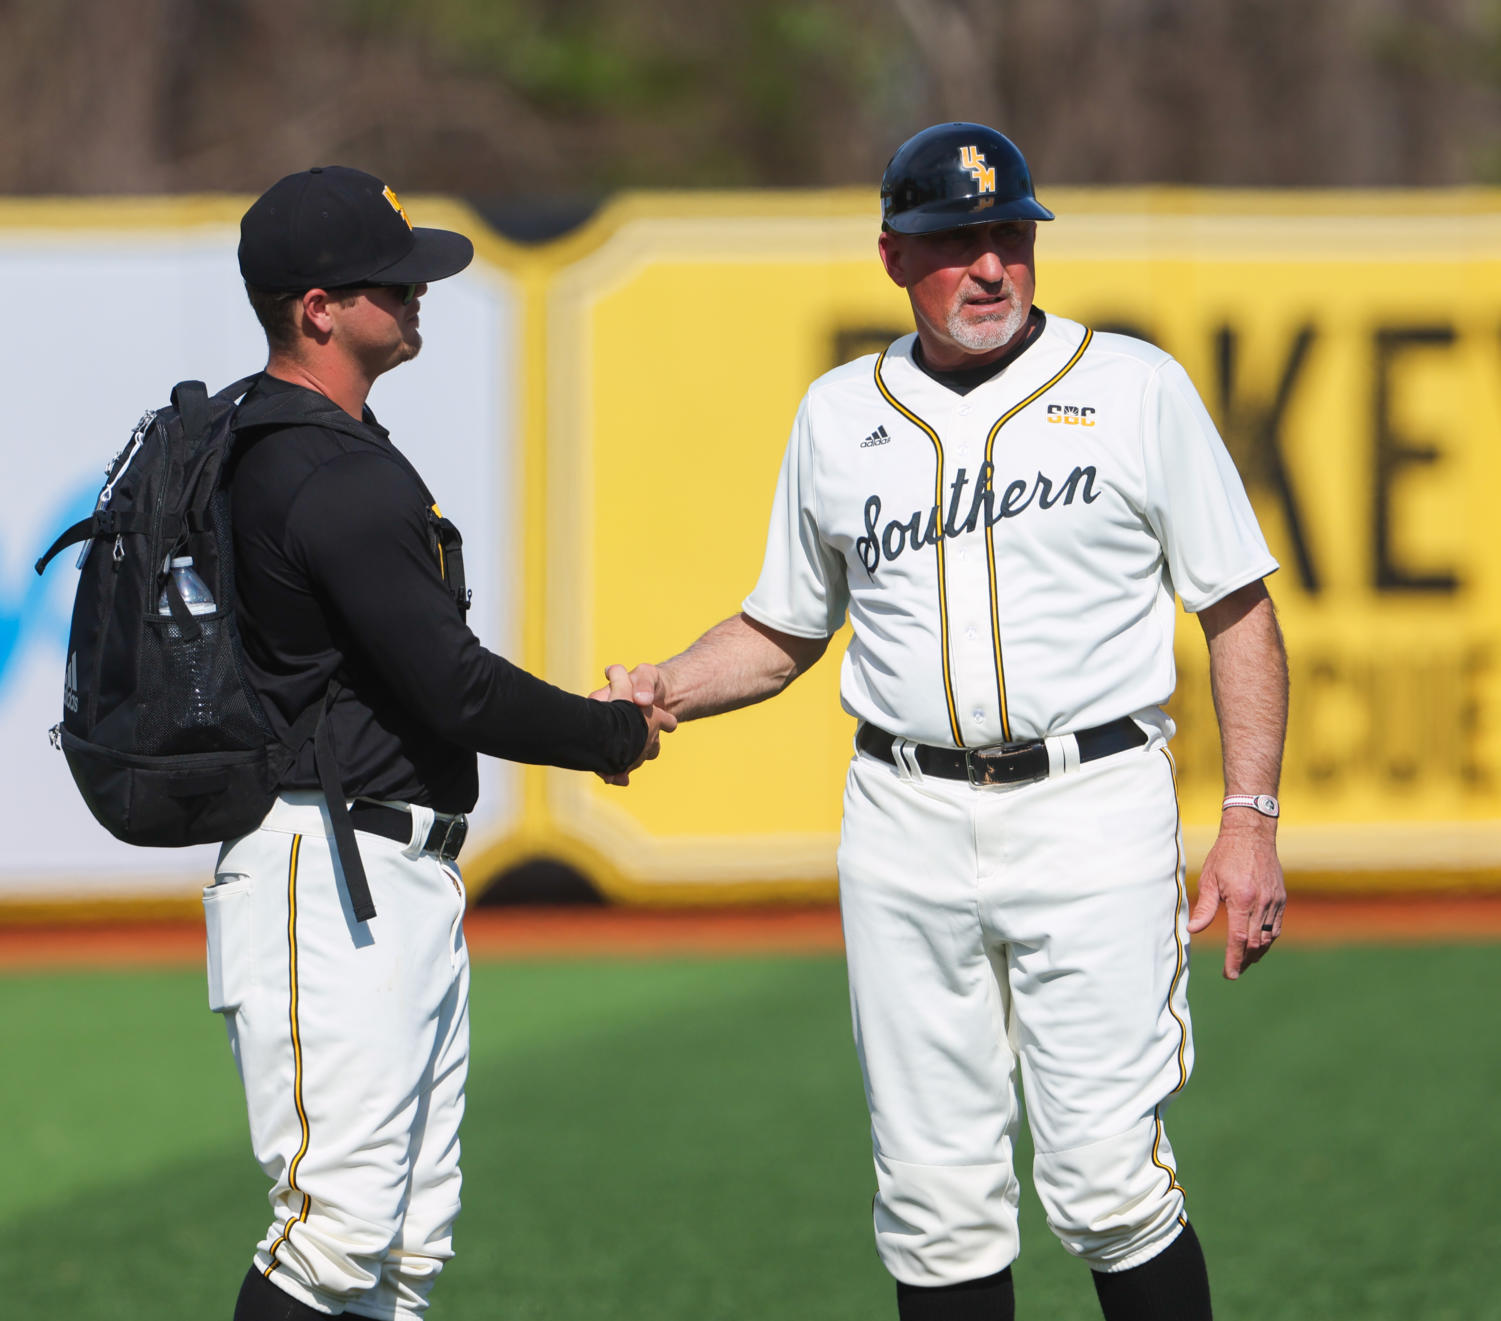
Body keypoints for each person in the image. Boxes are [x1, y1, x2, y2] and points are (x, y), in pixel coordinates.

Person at [601, 123, 1287, 1320]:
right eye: (952, 241)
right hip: (902, 817)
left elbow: (1238, 610)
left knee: (1107, 1183)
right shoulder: (836, 415)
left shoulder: (1130, 386)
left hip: (1092, 803)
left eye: (1008, 236)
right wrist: (667, 685)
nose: (988, 266)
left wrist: (1250, 816)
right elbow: (782, 628)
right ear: (889, 255)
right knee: (934, 1200)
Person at [215, 165, 674, 1321]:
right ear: (317, 308)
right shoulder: (320, 469)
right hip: (331, 872)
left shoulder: (282, 444)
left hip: (379, 866)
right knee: (334, 1237)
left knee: (404, 1247)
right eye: (389, 281)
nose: (416, 296)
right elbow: (455, 690)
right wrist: (610, 730)